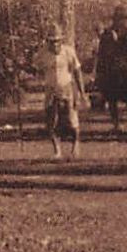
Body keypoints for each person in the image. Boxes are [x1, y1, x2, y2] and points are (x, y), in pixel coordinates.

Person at [94, 5, 127, 136]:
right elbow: (102, 53)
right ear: (115, 20)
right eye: (119, 19)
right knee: (112, 99)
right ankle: (116, 125)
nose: (121, 22)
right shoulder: (107, 34)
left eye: (123, 19)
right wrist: (100, 71)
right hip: (112, 70)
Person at [37, 25, 86, 161]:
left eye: (57, 41)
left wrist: (81, 92)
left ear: (61, 41)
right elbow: (35, 68)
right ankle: (57, 150)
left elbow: (77, 71)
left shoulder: (68, 52)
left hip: (67, 88)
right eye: (52, 41)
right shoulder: (42, 54)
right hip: (51, 90)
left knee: (71, 120)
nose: (55, 44)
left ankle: (75, 145)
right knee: (51, 121)